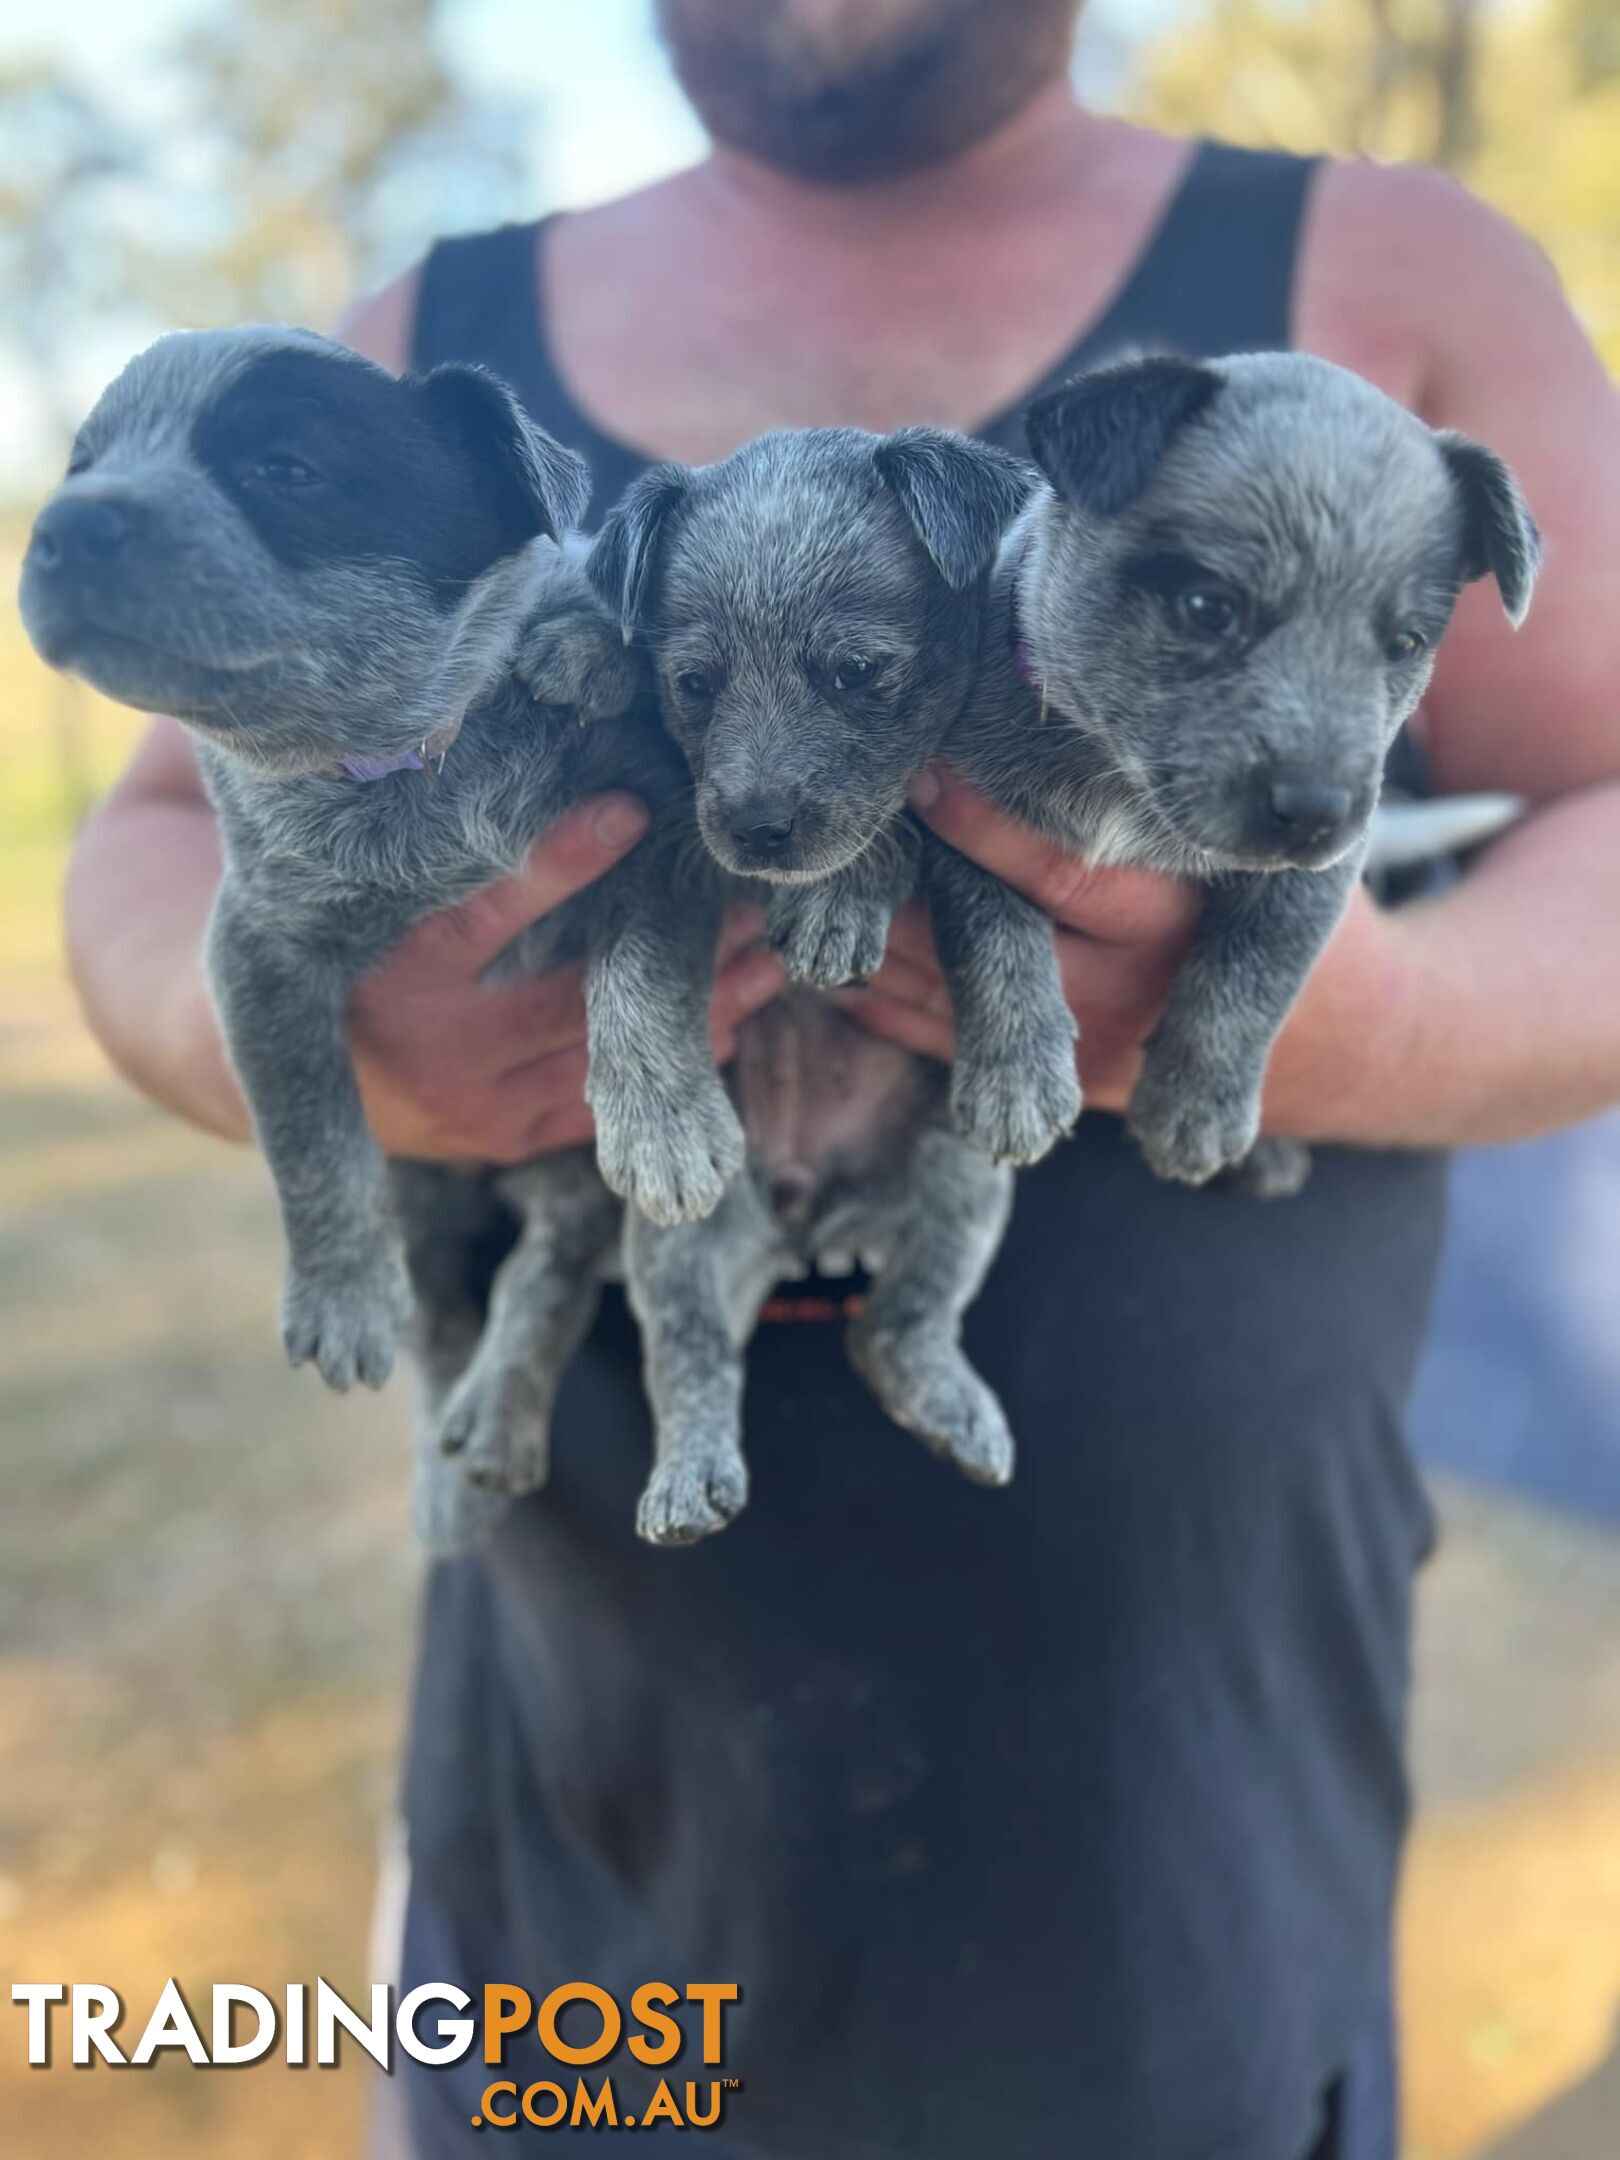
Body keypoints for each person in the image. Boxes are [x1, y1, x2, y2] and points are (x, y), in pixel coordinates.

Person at [64, 3, 1620, 2154]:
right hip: (585, 1794)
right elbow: (148, 848)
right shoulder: (428, 325)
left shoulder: (1402, 277)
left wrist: (1355, 1026)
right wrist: (336, 1061)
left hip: (1186, 1819)